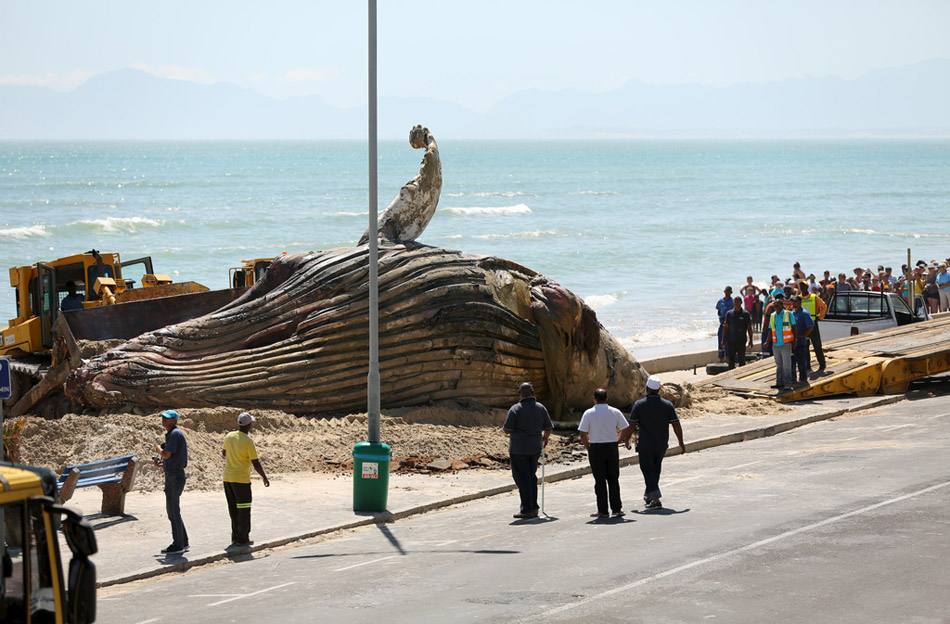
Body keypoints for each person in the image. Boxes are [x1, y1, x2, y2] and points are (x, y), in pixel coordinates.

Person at [622, 375, 685, 510]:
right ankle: (649, 495)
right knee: (655, 470)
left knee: (647, 470)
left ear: (647, 389)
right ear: (659, 390)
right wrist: (681, 442)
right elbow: (676, 425)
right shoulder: (667, 405)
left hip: (645, 444)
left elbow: (631, 425)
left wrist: (626, 440)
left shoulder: (639, 405)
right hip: (661, 444)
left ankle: (656, 498)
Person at [503, 382, 553, 519]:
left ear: (519, 394)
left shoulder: (515, 409)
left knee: (522, 479)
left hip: (519, 449)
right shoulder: (540, 407)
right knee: (531, 476)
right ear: (533, 392)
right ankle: (534, 506)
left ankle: (527, 509)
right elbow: (548, 427)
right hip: (535, 448)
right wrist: (545, 438)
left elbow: (507, 430)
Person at [577, 388, 629, 519]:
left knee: (599, 481)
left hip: (596, 447)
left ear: (594, 399)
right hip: (611, 447)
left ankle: (603, 511)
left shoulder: (589, 413)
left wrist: (588, 447)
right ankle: (616, 509)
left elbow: (583, 433)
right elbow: (625, 428)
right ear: (606, 398)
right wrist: (618, 439)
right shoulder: (615, 411)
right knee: (613, 479)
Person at [222, 412, 270, 547]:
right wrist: (264, 477)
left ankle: (235, 536)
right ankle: (243, 539)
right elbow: (256, 462)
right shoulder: (248, 442)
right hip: (241, 481)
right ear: (249, 426)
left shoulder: (229, 436)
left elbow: (224, 453)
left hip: (227, 479)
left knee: (233, 509)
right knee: (243, 509)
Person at [154, 409, 189, 554]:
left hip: (174, 477)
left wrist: (158, 450)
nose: (164, 420)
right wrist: (162, 464)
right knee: (174, 510)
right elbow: (172, 458)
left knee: (173, 511)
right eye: (163, 418)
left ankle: (178, 544)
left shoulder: (174, 434)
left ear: (174, 420)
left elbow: (166, 454)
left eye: (167, 418)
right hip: (175, 474)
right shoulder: (174, 434)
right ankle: (183, 541)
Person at [768, 292, 796, 389]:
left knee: (787, 365)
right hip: (776, 344)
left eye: (778, 304)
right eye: (775, 304)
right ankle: (779, 382)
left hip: (786, 343)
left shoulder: (788, 314)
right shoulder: (772, 316)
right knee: (779, 365)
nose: (776, 306)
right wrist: (767, 342)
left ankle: (787, 383)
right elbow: (770, 330)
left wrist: (794, 340)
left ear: (782, 305)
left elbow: (794, 327)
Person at [798, 280, 827, 372]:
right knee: (805, 347)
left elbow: (824, 306)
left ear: (807, 287)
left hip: (813, 325)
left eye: (804, 286)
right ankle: (807, 367)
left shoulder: (814, 297)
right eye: (801, 287)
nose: (802, 288)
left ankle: (822, 365)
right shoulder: (798, 298)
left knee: (817, 345)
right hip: (803, 326)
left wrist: (819, 317)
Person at [721, 296, 754, 369]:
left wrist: (751, 340)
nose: (736, 303)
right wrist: (723, 340)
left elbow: (749, 328)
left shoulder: (746, 314)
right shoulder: (729, 314)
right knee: (731, 360)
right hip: (731, 341)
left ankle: (741, 376)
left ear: (741, 302)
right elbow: (726, 327)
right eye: (735, 302)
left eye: (737, 302)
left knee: (741, 360)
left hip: (741, 340)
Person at [790, 296, 815, 385]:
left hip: (801, 342)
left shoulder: (804, 313)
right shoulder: (791, 313)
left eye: (795, 302)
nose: (794, 303)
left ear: (800, 303)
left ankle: (803, 379)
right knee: (792, 361)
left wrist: (804, 335)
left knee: (801, 361)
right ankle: (793, 378)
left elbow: (811, 325)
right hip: (792, 342)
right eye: (793, 302)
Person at [715, 286, 734, 363]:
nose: (727, 293)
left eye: (729, 291)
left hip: (730, 324)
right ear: (724, 292)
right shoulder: (720, 301)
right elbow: (719, 311)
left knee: (729, 341)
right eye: (726, 291)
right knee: (721, 341)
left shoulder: (733, 301)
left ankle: (728, 358)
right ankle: (721, 359)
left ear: (731, 292)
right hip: (722, 323)